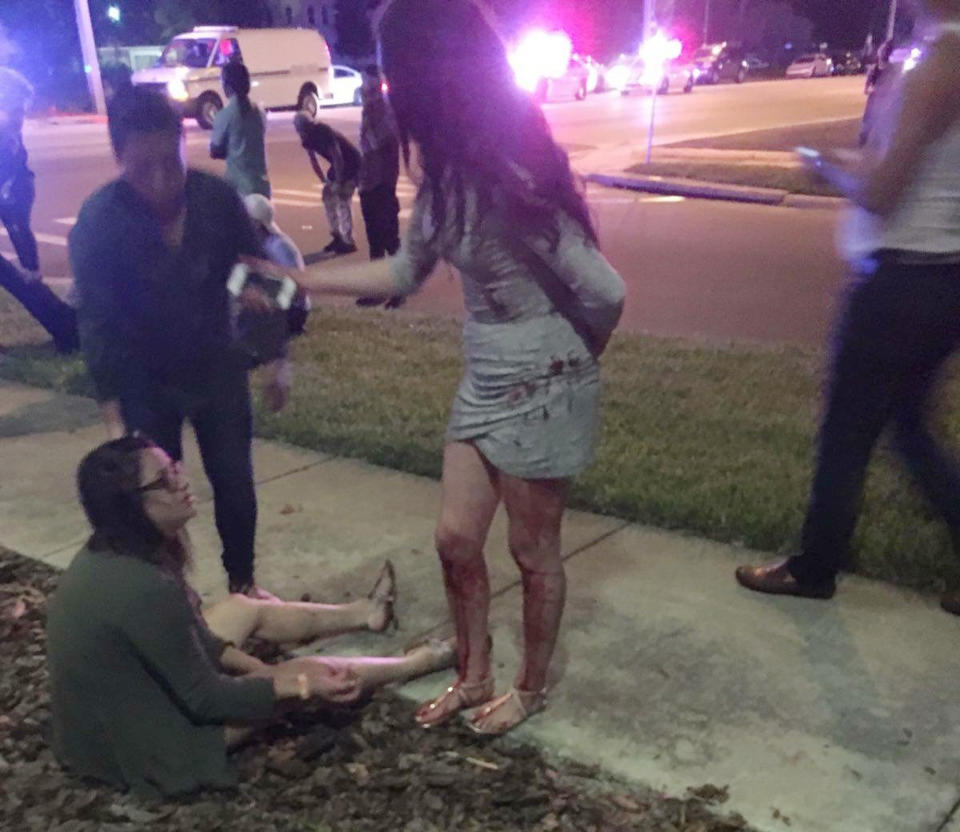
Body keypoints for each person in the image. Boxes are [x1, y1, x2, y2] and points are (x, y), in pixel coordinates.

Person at [249, 0, 626, 735]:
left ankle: (530, 687)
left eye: (394, 75)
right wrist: (299, 280)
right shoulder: (452, 173)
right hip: (485, 380)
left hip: (542, 382)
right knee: (455, 539)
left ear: (429, 77)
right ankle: (472, 672)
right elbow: (403, 271)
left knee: (531, 550)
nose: (387, 89)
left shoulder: (511, 178)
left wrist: (573, 362)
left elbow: (606, 290)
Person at [46, 435, 456, 799]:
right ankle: (423, 660)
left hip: (115, 719)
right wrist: (293, 682)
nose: (183, 481)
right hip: (150, 748)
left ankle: (366, 614)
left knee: (244, 608)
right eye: (165, 480)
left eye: (174, 467)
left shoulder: (114, 552)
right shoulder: (142, 587)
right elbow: (206, 699)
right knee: (310, 673)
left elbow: (197, 639)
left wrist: (259, 669)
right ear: (130, 506)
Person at [736, 0, 960, 617]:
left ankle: (814, 567)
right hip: (944, 275)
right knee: (909, 428)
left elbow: (884, 195)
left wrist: (824, 167)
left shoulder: (941, 65)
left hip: (900, 282)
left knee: (847, 431)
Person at [69, 87, 283, 597]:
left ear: (185, 140)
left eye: (171, 162)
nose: (162, 181)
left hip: (217, 364)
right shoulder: (100, 221)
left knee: (233, 479)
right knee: (154, 498)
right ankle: (170, 592)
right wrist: (113, 415)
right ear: (118, 157)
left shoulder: (215, 198)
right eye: (142, 169)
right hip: (147, 379)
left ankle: (243, 583)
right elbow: (98, 322)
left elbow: (258, 273)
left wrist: (277, 356)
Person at [0, 66, 78, 352]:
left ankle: (62, 325)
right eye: (17, 108)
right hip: (11, 195)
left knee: (21, 278)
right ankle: (63, 325)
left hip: (12, 195)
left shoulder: (9, 137)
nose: (21, 115)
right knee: (20, 278)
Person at [293, 112, 361, 255]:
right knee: (327, 197)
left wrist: (339, 181)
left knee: (342, 199)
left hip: (352, 163)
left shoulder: (323, 131)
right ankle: (337, 235)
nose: (299, 132)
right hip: (338, 165)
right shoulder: (306, 139)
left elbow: (337, 156)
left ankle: (348, 240)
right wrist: (324, 180)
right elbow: (313, 160)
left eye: (300, 129)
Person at [210, 62, 271, 198]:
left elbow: (215, 151)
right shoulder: (259, 112)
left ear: (228, 85)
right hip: (262, 186)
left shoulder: (226, 115)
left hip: (239, 188)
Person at [358, 65, 400, 261]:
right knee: (375, 239)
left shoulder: (381, 109)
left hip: (381, 181)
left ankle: (396, 284)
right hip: (371, 181)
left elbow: (376, 142)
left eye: (365, 82)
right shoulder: (371, 108)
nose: (363, 87)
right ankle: (378, 286)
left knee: (388, 237)